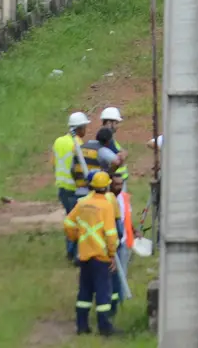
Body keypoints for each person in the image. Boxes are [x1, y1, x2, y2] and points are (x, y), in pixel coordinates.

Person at [63, 171, 119, 337]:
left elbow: (68, 223)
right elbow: (110, 233)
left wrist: (75, 237)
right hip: (101, 256)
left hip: (84, 255)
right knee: (103, 293)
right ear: (107, 186)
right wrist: (112, 254)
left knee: (84, 292)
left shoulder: (82, 203)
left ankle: (82, 326)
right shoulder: (106, 205)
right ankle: (104, 328)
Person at [54, 112, 91, 260]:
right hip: (74, 189)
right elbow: (78, 168)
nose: (86, 130)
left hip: (61, 187)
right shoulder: (78, 145)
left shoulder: (58, 141)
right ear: (79, 128)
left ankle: (70, 251)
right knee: (78, 222)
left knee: (69, 219)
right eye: (85, 127)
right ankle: (76, 254)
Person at [108, 174, 134, 316]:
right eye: (116, 184)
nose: (118, 187)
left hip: (123, 240)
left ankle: (121, 301)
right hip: (111, 242)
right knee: (112, 274)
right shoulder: (106, 200)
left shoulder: (124, 197)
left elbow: (127, 216)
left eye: (120, 184)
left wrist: (134, 231)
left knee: (122, 271)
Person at [72, 129, 121, 200]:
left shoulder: (81, 147)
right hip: (93, 193)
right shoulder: (102, 150)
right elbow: (117, 161)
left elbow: (72, 169)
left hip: (78, 191)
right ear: (108, 141)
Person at [99, 107, 129, 184]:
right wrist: (123, 155)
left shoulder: (110, 138)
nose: (118, 126)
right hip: (114, 181)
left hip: (118, 179)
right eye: (116, 123)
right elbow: (117, 158)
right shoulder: (106, 139)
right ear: (109, 123)